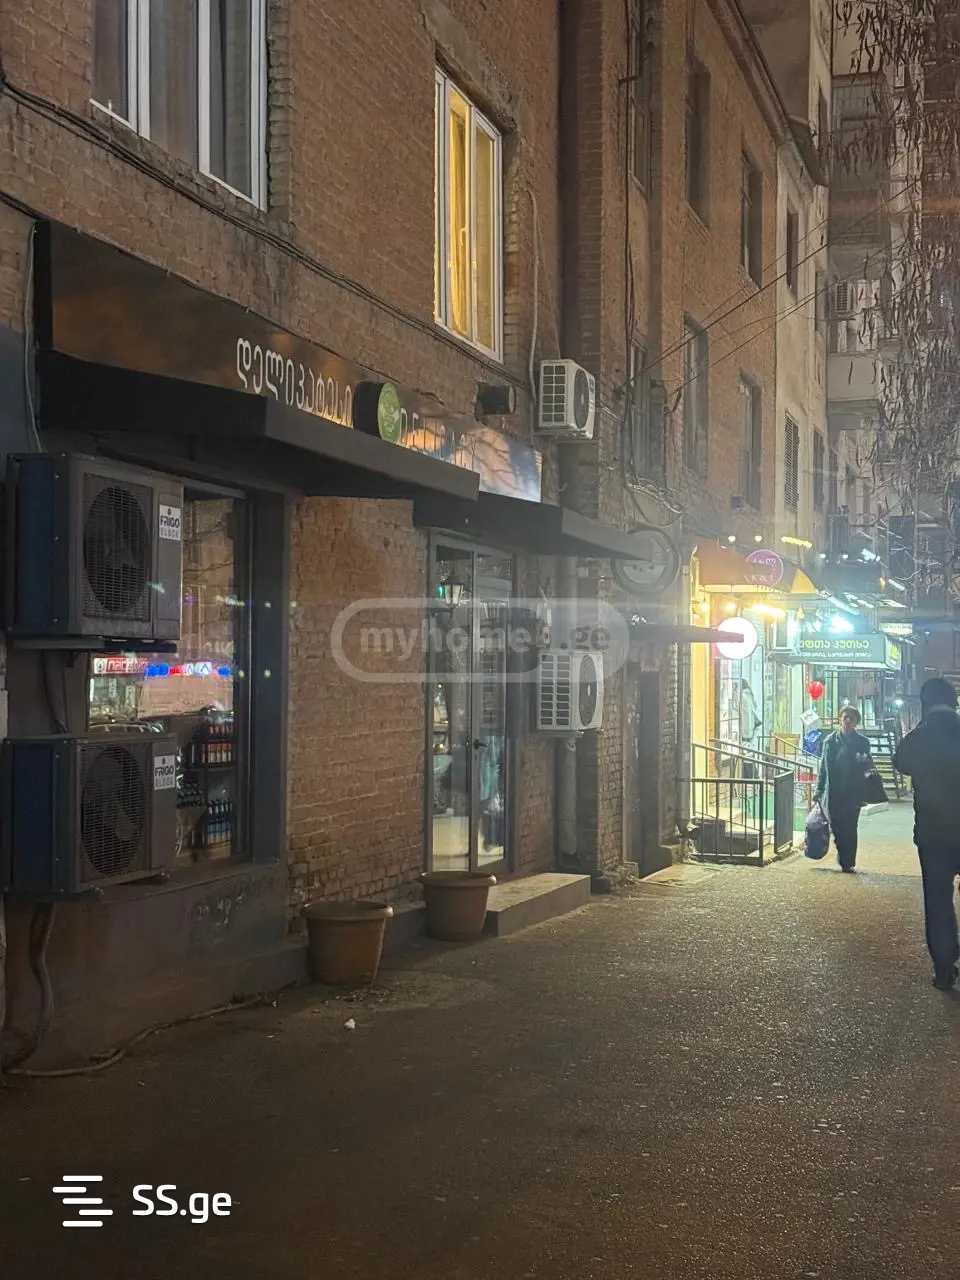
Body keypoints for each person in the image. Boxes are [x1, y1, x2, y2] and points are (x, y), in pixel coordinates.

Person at [893, 677, 960, 990]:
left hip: (933, 834)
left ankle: (944, 967)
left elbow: (900, 761)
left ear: (925, 703)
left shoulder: (921, 735)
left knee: (938, 899)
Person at [815, 706, 873, 873]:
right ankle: (843, 855)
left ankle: (847, 862)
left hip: (853, 793)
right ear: (840, 719)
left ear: (856, 722)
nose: (847, 720)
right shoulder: (830, 741)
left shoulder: (862, 742)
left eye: (851, 718)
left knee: (850, 827)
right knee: (836, 827)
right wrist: (819, 790)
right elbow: (823, 768)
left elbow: (867, 766)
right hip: (834, 793)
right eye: (845, 717)